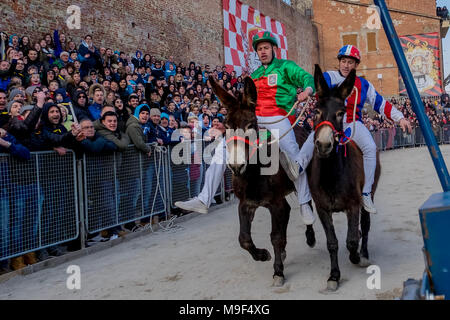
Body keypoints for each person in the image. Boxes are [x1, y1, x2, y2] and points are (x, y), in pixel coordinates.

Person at [175, 31, 316, 225]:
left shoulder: (286, 67)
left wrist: (307, 91)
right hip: (255, 118)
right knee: (223, 149)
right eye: (259, 49)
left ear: (273, 49)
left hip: (278, 116)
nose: (263, 51)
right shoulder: (254, 76)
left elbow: (307, 78)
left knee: (292, 154)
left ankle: (304, 202)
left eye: (266, 47)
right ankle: (204, 199)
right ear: (257, 53)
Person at [299, 45, 411, 213]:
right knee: (311, 140)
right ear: (339, 62)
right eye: (343, 61)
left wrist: (400, 117)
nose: (346, 65)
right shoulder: (329, 76)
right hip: (329, 122)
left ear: (356, 65)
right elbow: (316, 88)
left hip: (352, 123)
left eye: (350, 62)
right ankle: (298, 167)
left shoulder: (363, 84)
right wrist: (307, 91)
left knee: (371, 148)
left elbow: (380, 103)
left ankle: (366, 193)